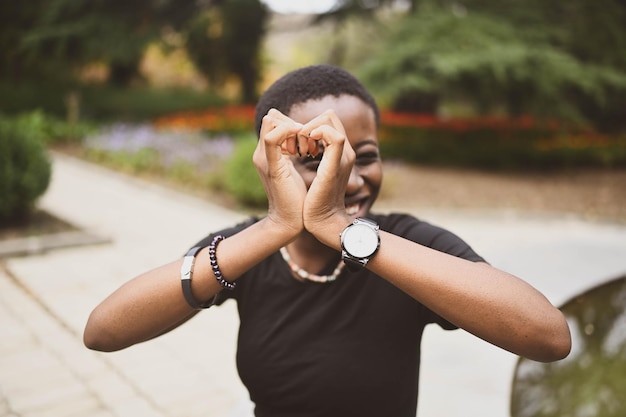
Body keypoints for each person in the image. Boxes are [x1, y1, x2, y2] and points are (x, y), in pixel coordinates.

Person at [84, 64, 571, 417]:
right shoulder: (246, 249)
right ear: (273, 166)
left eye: (365, 155)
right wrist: (277, 226)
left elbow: (548, 336)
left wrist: (343, 230)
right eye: (319, 160)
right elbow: (103, 332)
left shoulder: (405, 243)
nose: (350, 178)